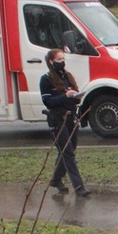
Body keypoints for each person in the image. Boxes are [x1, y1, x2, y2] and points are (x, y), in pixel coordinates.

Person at [40, 49, 89, 196]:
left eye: (63, 59)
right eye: (59, 59)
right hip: (56, 119)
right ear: (51, 61)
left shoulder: (67, 76)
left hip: (70, 117)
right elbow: (47, 101)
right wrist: (65, 96)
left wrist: (76, 96)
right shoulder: (46, 79)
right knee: (67, 152)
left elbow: (74, 96)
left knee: (69, 150)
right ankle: (79, 187)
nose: (62, 62)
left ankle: (55, 179)